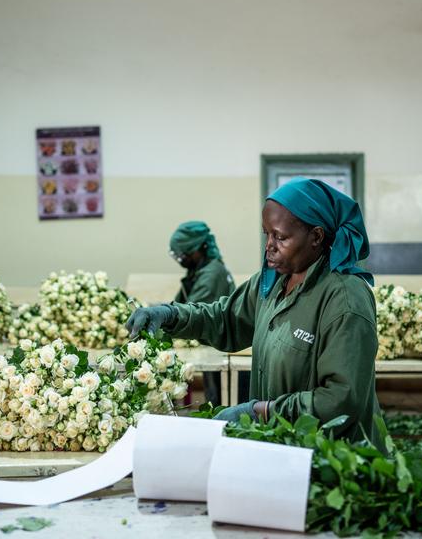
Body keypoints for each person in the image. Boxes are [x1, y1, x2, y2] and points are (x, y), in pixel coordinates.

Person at [127, 178, 383, 445]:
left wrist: (261, 412)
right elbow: (225, 318)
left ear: (316, 237)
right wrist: (170, 315)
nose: (269, 246)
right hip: (282, 449)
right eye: (267, 234)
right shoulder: (272, 282)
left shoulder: (344, 298)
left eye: (280, 237)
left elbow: (340, 399)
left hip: (335, 460)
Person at [168, 221, 235, 405]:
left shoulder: (212, 274)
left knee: (220, 402)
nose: (181, 259)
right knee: (214, 397)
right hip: (213, 346)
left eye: (183, 254)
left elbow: (191, 314)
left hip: (219, 348)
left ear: (197, 249)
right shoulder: (200, 271)